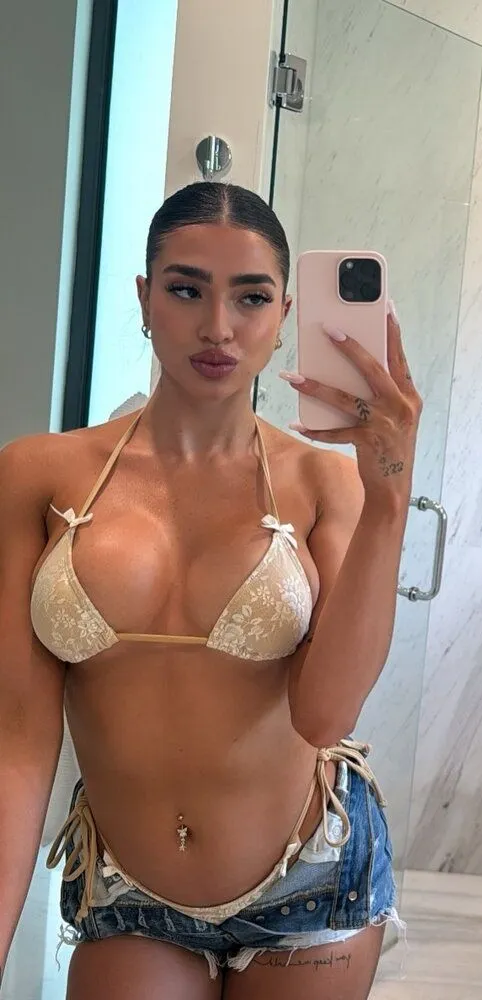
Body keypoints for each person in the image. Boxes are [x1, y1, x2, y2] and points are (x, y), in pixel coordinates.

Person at [0, 181, 422, 999]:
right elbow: (16, 740)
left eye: (251, 297)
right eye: (187, 289)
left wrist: (389, 500)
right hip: (130, 889)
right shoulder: (36, 475)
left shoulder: (324, 484)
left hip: (310, 880)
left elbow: (326, 715)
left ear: (285, 313)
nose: (219, 327)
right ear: (144, 298)